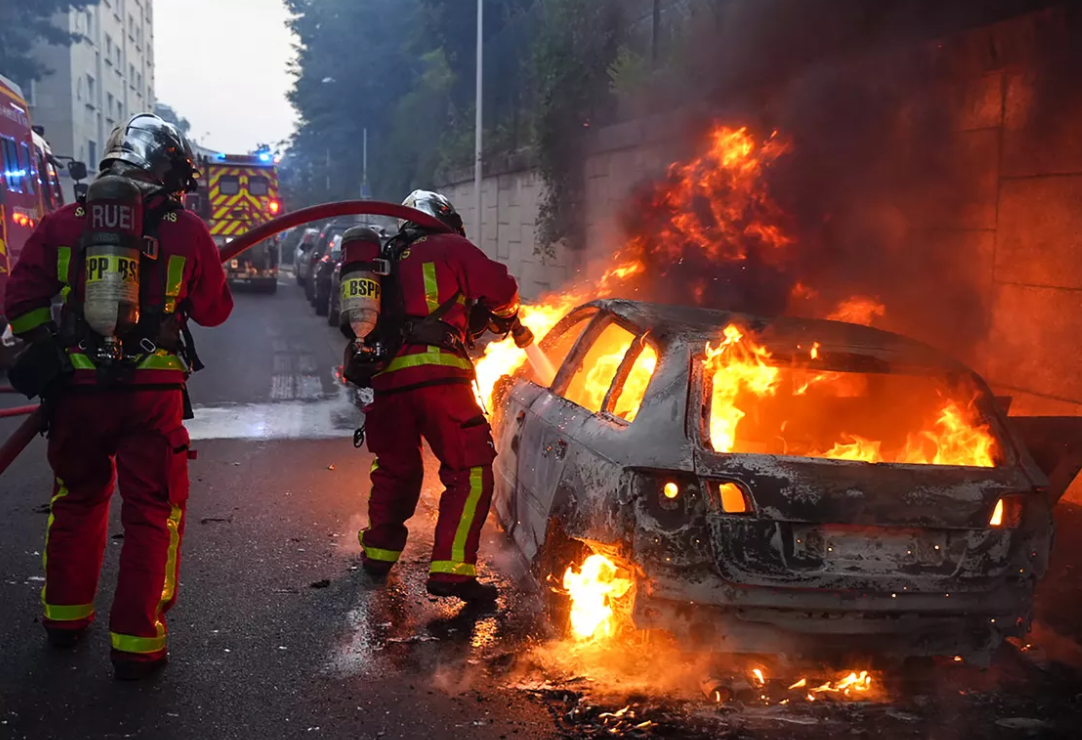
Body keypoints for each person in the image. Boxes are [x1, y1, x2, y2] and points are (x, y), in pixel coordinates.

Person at [3, 113, 233, 680]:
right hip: (152, 395)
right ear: (169, 170)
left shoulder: (63, 222)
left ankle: (64, 617)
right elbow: (215, 311)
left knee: (77, 500)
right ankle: (136, 641)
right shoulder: (186, 229)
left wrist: (49, 346)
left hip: (77, 391)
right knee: (153, 512)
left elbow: (20, 299)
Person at [345, 190, 521, 603]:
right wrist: (510, 315)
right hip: (439, 378)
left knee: (395, 470)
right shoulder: (450, 246)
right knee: (470, 470)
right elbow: (502, 288)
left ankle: (378, 553)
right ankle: (452, 572)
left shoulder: (380, 260)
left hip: (387, 384)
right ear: (446, 219)